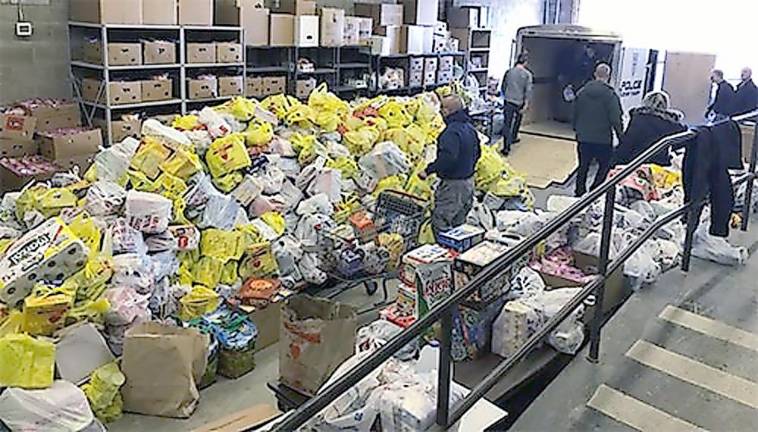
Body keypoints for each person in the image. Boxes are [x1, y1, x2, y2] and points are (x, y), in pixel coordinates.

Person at [420, 94, 481, 239]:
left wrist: (428, 170)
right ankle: (458, 253)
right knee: (458, 223)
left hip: (453, 186)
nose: (440, 112)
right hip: (468, 183)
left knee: (441, 220)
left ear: (447, 111)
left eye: (442, 108)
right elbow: (478, 152)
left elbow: (447, 159)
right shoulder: (469, 128)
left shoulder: (450, 133)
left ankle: (446, 254)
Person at [572, 63, 623, 196]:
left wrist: (576, 129)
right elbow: (616, 119)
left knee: (583, 166)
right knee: (605, 166)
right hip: (603, 139)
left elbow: (574, 113)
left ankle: (579, 193)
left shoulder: (582, 92)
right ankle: (595, 191)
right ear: (608, 76)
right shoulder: (610, 95)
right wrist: (621, 137)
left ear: (595, 74)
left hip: (583, 137)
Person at [615, 91, 687, 167]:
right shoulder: (671, 124)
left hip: (636, 163)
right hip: (660, 166)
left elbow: (627, 144)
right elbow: (684, 138)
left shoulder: (638, 119)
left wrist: (615, 162)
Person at [500, 52, 533, 154]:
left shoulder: (509, 72)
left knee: (507, 124)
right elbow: (528, 91)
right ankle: (514, 137)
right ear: (525, 62)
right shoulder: (527, 75)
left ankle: (506, 147)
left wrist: (506, 95)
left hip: (508, 100)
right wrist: (526, 104)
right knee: (517, 121)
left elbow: (503, 86)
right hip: (519, 102)